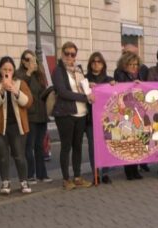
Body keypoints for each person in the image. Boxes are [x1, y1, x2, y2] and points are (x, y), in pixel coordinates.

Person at [0, 56, 32, 195]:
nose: (7, 72)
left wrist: (15, 91)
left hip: (17, 125)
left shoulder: (20, 83)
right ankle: (5, 181)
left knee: (19, 155)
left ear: (14, 71)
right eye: (4, 69)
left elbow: (28, 102)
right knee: (3, 156)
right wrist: (1, 91)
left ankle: (24, 181)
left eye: (10, 69)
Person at [52, 41, 93, 189]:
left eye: (72, 54)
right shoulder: (58, 71)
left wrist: (90, 88)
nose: (70, 56)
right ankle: (65, 179)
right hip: (66, 113)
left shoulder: (79, 70)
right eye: (67, 53)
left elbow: (85, 88)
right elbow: (62, 92)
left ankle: (77, 176)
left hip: (81, 113)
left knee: (78, 146)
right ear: (62, 54)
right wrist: (84, 97)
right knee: (66, 146)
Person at [16, 49, 52, 185]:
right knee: (29, 146)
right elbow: (20, 88)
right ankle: (30, 175)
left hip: (41, 115)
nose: (31, 62)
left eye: (33, 59)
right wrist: (29, 73)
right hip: (29, 116)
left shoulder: (39, 74)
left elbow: (42, 91)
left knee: (39, 146)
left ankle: (42, 174)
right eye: (28, 59)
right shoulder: (20, 74)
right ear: (23, 62)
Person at [113, 51, 144, 181]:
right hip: (125, 111)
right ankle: (128, 171)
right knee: (128, 139)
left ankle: (135, 169)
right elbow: (121, 87)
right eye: (130, 64)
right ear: (124, 65)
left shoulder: (140, 74)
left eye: (135, 64)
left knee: (137, 139)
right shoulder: (120, 74)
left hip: (137, 110)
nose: (133, 67)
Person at [85, 51, 113, 184]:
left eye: (99, 62)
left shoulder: (109, 80)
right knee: (92, 146)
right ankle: (95, 173)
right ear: (90, 64)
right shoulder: (84, 80)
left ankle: (106, 173)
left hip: (107, 120)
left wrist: (115, 87)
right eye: (94, 62)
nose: (96, 64)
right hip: (91, 118)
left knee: (107, 145)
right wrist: (87, 87)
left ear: (103, 65)